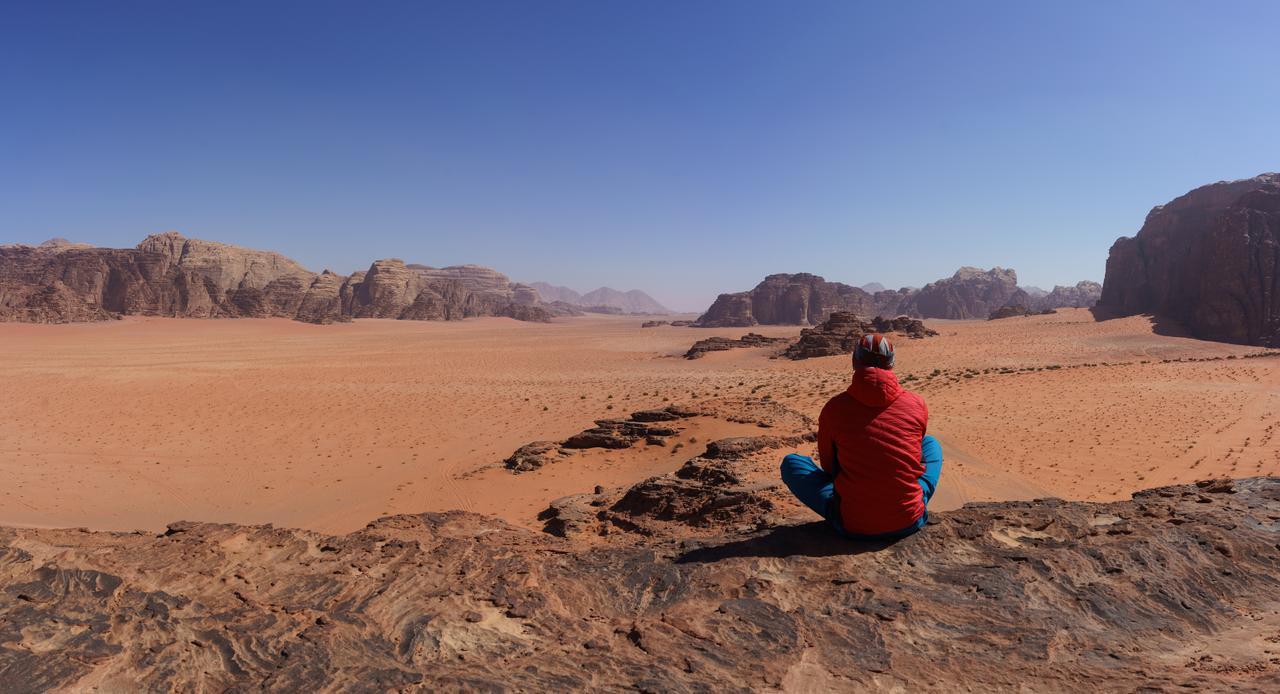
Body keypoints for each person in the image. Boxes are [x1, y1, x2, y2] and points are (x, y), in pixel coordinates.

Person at [780, 333, 942, 540]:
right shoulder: (916, 403)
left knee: (792, 463)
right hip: (909, 520)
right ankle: (908, 501)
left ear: (855, 361)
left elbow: (829, 467)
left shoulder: (834, 408)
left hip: (851, 524)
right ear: (891, 363)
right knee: (931, 444)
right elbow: (912, 455)